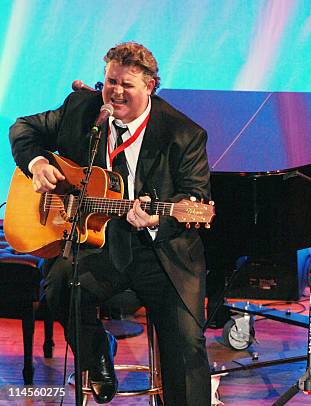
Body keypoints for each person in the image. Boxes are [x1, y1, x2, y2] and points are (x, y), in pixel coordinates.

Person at [9, 42, 211, 405]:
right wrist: (38, 164)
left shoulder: (183, 134)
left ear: (149, 86)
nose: (115, 92)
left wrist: (154, 219)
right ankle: (98, 354)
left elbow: (194, 197)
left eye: (127, 85)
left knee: (185, 344)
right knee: (59, 287)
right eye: (110, 81)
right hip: (98, 244)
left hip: (161, 253)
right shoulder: (83, 109)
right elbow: (23, 129)